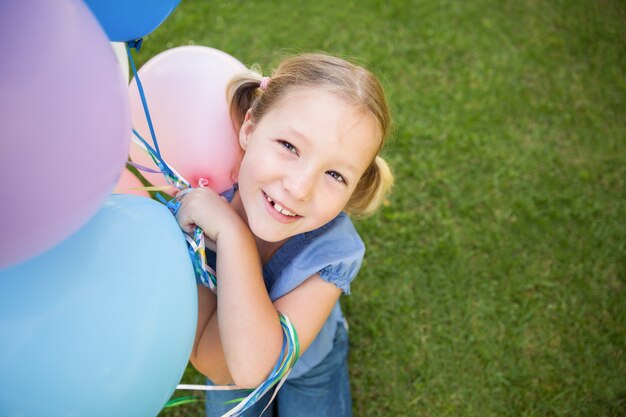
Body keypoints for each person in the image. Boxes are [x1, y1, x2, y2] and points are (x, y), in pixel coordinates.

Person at [174, 52, 393, 416]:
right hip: (232, 370)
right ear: (249, 128)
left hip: (310, 364)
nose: (300, 188)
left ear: (353, 190)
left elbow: (255, 366)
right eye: (290, 147)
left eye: (335, 175)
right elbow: (219, 364)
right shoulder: (194, 215)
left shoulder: (335, 251)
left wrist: (233, 236)